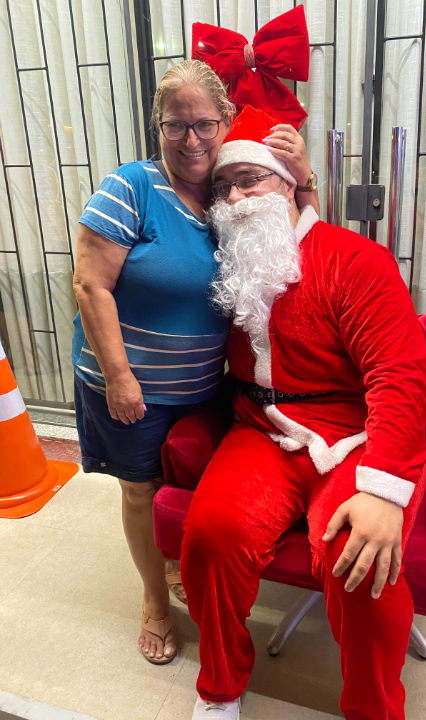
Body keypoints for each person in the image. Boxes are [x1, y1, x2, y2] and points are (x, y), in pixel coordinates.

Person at [179, 106, 426, 720]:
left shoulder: (356, 260)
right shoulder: (230, 263)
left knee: (360, 564)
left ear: (288, 184)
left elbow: (400, 375)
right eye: (222, 186)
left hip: (355, 439)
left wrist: (385, 491)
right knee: (211, 536)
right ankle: (219, 688)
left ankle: (373, 711)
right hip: (260, 431)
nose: (235, 198)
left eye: (250, 180)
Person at [71, 63, 318, 665]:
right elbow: (89, 285)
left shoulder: (230, 187)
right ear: (157, 126)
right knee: (141, 490)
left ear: (225, 120)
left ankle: (176, 563)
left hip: (206, 386)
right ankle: (155, 600)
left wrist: (307, 178)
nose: (191, 140)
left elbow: (304, 244)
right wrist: (121, 378)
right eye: (175, 125)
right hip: (131, 383)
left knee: (187, 485)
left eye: (204, 123)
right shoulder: (131, 186)